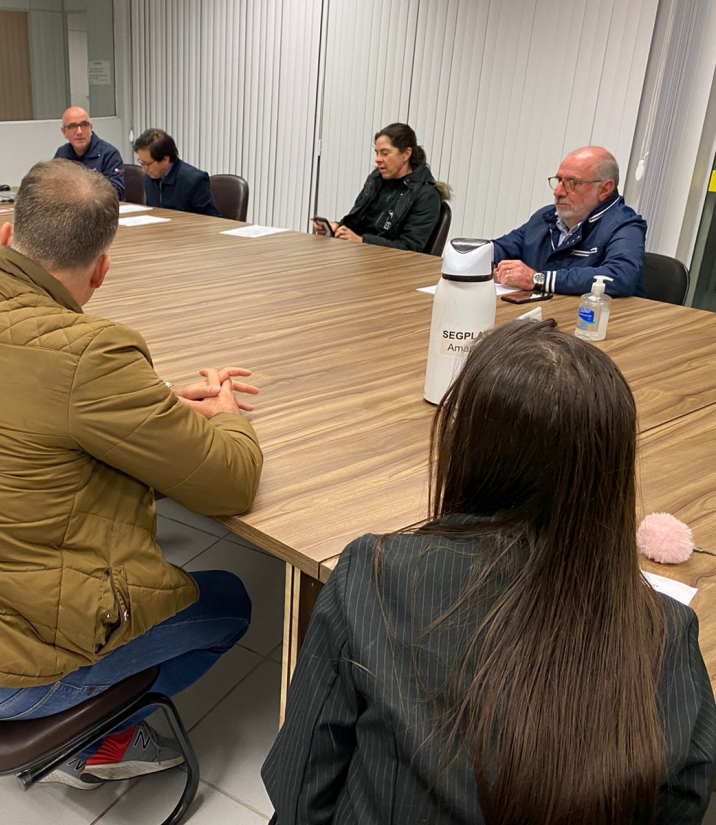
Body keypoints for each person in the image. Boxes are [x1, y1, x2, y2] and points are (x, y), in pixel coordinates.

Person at [0, 159, 263, 789]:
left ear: (7, 237)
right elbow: (232, 480)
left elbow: (21, 401)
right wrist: (225, 416)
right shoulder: (92, 353)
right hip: (8, 671)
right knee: (234, 602)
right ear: (102, 269)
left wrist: (149, 404)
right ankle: (94, 743)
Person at [263, 319, 716, 825]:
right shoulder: (668, 630)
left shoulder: (374, 574)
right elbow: (686, 800)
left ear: (465, 445)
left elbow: (299, 790)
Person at [493, 146, 646, 297]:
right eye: (559, 180)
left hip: (599, 317)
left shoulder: (625, 225)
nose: (557, 192)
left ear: (605, 189)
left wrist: (538, 279)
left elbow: (620, 276)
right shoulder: (547, 217)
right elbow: (502, 248)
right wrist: (475, 256)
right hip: (546, 311)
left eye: (572, 183)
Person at [314, 123, 449, 253]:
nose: (378, 159)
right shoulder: (377, 179)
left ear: (406, 154)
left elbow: (410, 247)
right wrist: (337, 228)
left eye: (385, 153)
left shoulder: (426, 195)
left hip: (392, 267)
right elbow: (356, 222)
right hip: (362, 257)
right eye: (377, 153)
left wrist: (362, 240)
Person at [133, 129, 220, 217]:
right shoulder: (149, 178)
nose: (144, 169)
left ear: (165, 160)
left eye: (147, 164)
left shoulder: (194, 180)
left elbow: (212, 220)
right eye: (141, 163)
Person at [53, 106, 125, 198]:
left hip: (100, 209)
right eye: (72, 126)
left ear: (90, 127)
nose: (79, 132)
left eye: (84, 125)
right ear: (64, 132)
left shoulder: (109, 153)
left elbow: (117, 192)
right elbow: (53, 186)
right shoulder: (62, 153)